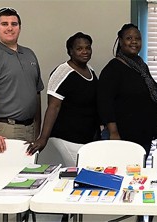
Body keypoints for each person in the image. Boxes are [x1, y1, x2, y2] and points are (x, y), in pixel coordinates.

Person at [0, 7, 44, 153]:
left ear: (19, 27)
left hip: (30, 128)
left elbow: (36, 93)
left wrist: (38, 127)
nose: (10, 28)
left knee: (27, 174)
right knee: (6, 173)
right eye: (4, 24)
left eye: (14, 24)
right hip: (5, 130)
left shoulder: (29, 55)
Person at [26, 32, 100, 167]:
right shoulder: (62, 72)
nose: (85, 51)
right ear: (70, 51)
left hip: (86, 136)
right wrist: (43, 138)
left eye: (88, 48)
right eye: (79, 49)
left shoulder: (90, 70)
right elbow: (53, 107)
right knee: (82, 171)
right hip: (68, 136)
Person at [98, 23, 157, 158]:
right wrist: (114, 133)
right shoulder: (113, 68)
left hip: (142, 135)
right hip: (122, 136)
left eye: (138, 38)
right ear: (120, 41)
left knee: (137, 176)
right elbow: (105, 103)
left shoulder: (141, 67)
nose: (134, 42)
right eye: (129, 38)